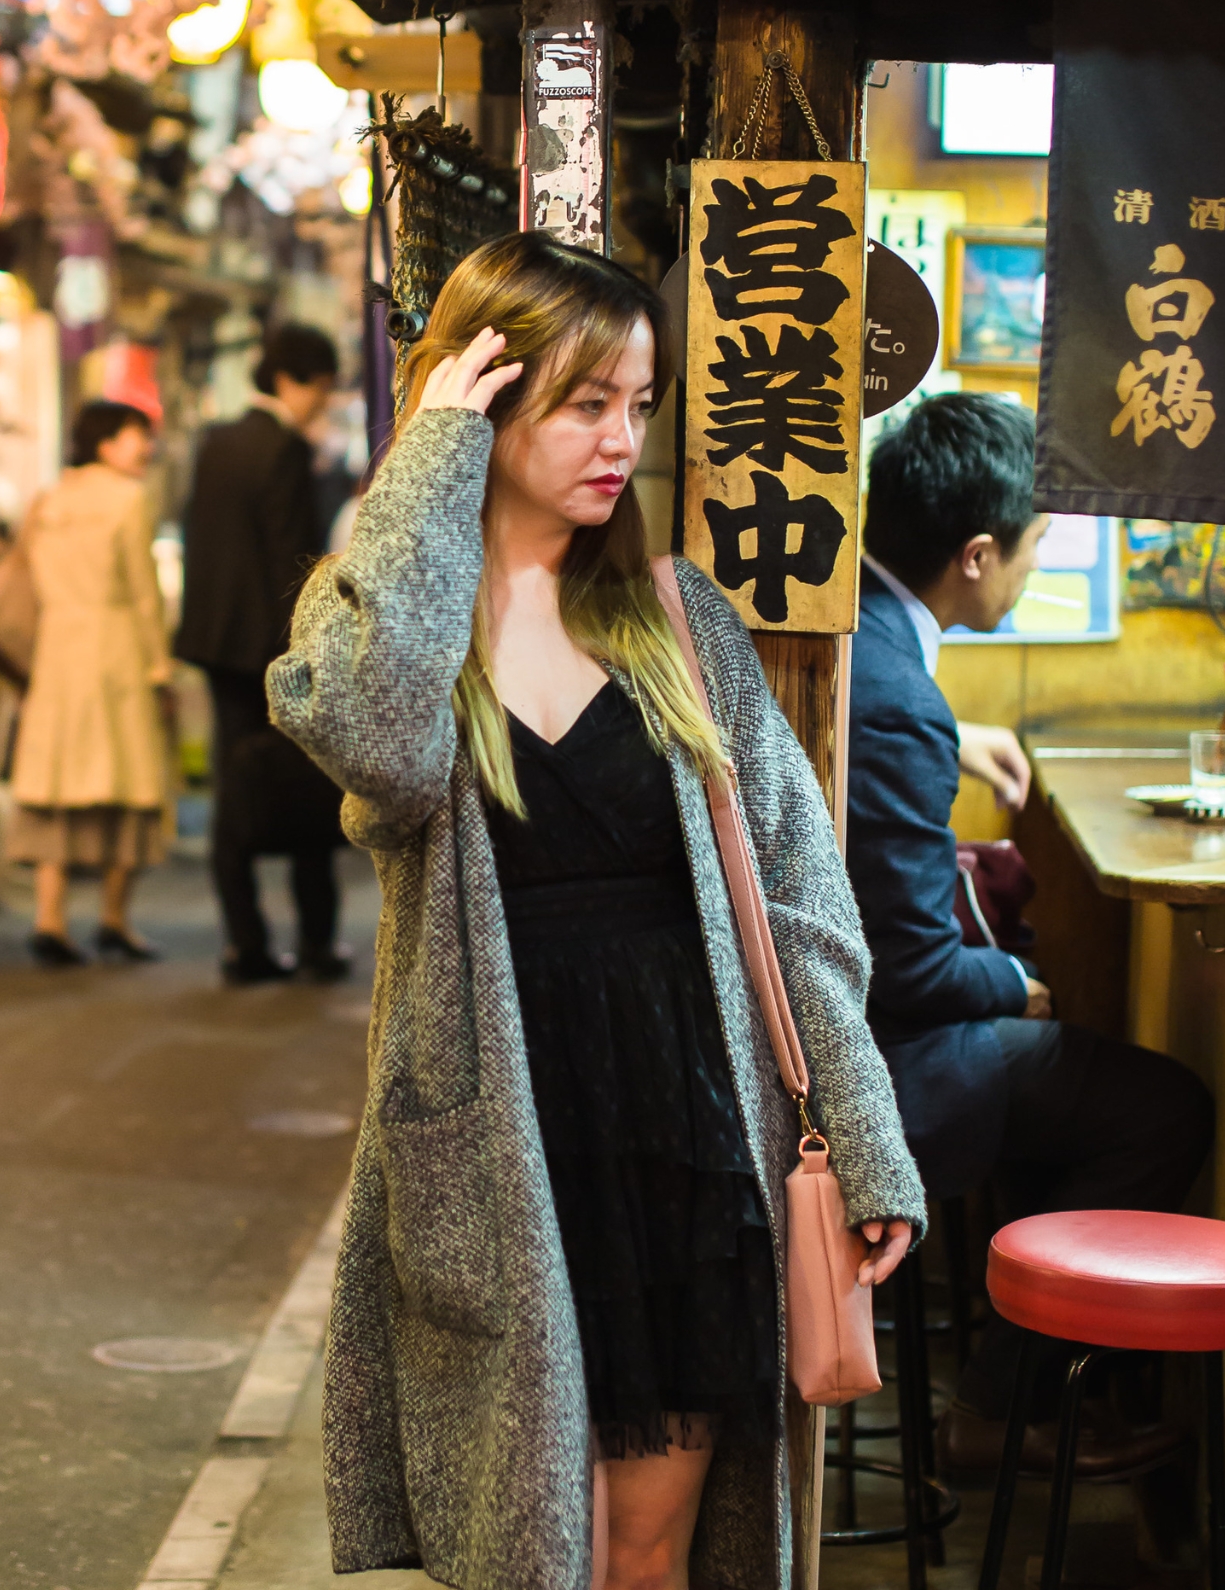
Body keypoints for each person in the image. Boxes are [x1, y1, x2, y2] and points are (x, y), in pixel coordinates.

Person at [269, 234, 925, 1590]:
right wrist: (428, 465)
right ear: (483, 392)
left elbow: (801, 909)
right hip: (503, 1143)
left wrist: (864, 1139)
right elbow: (374, 739)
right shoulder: (387, 619)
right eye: (584, 402)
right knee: (523, 1547)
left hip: (680, 1140)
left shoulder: (679, 619)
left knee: (642, 1550)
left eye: (640, 403)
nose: (622, 438)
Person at [850, 392, 1214, 1473]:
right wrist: (1012, 984)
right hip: (876, 1062)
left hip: (843, 1034)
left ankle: (1027, 1378)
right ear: (973, 554)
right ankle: (1007, 1406)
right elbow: (913, 968)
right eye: (1032, 545)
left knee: (1062, 1063)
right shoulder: (892, 692)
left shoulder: (865, 635)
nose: (1033, 565)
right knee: (1161, 1105)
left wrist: (956, 740)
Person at [175, 322, 345, 984]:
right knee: (307, 784)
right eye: (323, 390)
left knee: (233, 787)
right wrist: (309, 649)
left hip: (218, 645)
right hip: (272, 649)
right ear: (292, 382)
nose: (323, 404)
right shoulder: (283, 451)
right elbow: (289, 563)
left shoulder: (216, 442)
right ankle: (315, 944)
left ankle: (244, 945)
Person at [8, 400, 170, 967]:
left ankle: (49, 918)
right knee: (129, 782)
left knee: (56, 784)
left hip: (56, 651)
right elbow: (143, 591)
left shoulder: (48, 500)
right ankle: (113, 918)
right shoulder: (128, 499)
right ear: (104, 443)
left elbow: (24, 572)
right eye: (136, 437)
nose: (146, 448)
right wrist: (160, 664)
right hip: (116, 648)